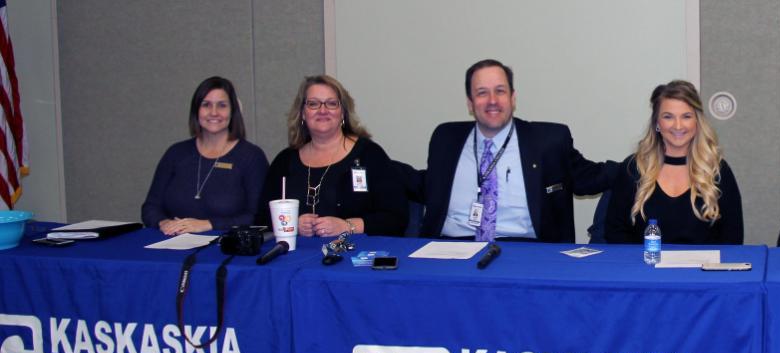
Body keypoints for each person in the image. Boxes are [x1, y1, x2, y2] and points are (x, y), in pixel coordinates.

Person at [420, 59, 615, 242]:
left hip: (525, 250)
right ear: (470, 103)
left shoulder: (548, 141)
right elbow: (422, 183)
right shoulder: (445, 139)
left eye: (500, 91)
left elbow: (588, 178)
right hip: (451, 249)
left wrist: (642, 162)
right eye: (482, 93)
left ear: (513, 98)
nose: (492, 100)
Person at [259, 75, 407, 237]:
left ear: (343, 112)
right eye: (313, 104)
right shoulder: (284, 161)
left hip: (354, 254)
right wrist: (291, 223)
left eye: (331, 103)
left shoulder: (370, 155)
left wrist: (347, 226)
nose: (323, 110)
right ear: (302, 113)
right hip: (295, 257)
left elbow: (396, 218)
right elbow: (261, 218)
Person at [604, 80, 743, 245]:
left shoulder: (717, 170)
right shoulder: (634, 168)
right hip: (645, 268)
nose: (678, 125)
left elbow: (732, 238)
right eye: (668, 117)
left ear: (697, 122)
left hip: (701, 269)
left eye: (686, 116)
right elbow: (615, 232)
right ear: (657, 123)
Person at [142, 77, 268, 235]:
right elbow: (150, 207)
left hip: (224, 248)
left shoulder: (251, 157)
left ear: (233, 111)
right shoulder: (175, 153)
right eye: (206, 105)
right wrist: (164, 222)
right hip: (171, 243)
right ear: (196, 111)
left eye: (222, 105)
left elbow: (258, 217)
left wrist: (208, 224)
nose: (214, 112)